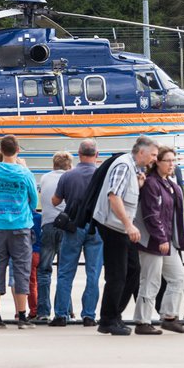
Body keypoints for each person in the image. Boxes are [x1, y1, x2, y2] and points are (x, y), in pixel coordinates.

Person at [93, 136, 158, 336]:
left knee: (132, 270)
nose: (154, 159)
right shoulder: (123, 166)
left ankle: (113, 315)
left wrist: (137, 185)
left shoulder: (132, 168)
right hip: (114, 226)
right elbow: (114, 196)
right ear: (142, 153)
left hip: (119, 226)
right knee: (118, 274)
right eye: (153, 155)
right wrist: (129, 225)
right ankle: (108, 320)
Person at [0, 136, 39, 329]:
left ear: (1, 149)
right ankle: (22, 316)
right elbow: (33, 199)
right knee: (21, 270)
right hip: (20, 225)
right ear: (17, 149)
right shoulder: (25, 173)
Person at [132, 147, 184, 334]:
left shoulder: (169, 184)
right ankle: (142, 321)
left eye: (174, 161)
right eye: (168, 161)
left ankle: (169, 316)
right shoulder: (151, 184)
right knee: (150, 280)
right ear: (157, 163)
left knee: (178, 278)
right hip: (153, 241)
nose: (172, 164)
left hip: (166, 240)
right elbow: (151, 214)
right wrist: (161, 237)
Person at [51, 139, 103, 327]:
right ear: (96, 155)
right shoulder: (101, 176)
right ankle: (89, 314)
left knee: (65, 271)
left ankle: (61, 314)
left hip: (73, 226)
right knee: (93, 273)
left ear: (79, 155)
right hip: (95, 227)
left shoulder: (68, 176)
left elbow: (55, 201)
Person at [33, 151, 71, 323]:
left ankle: (43, 310)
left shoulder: (45, 178)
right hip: (66, 225)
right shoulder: (71, 177)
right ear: (69, 165)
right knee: (64, 270)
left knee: (44, 269)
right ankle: (65, 309)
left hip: (48, 224)